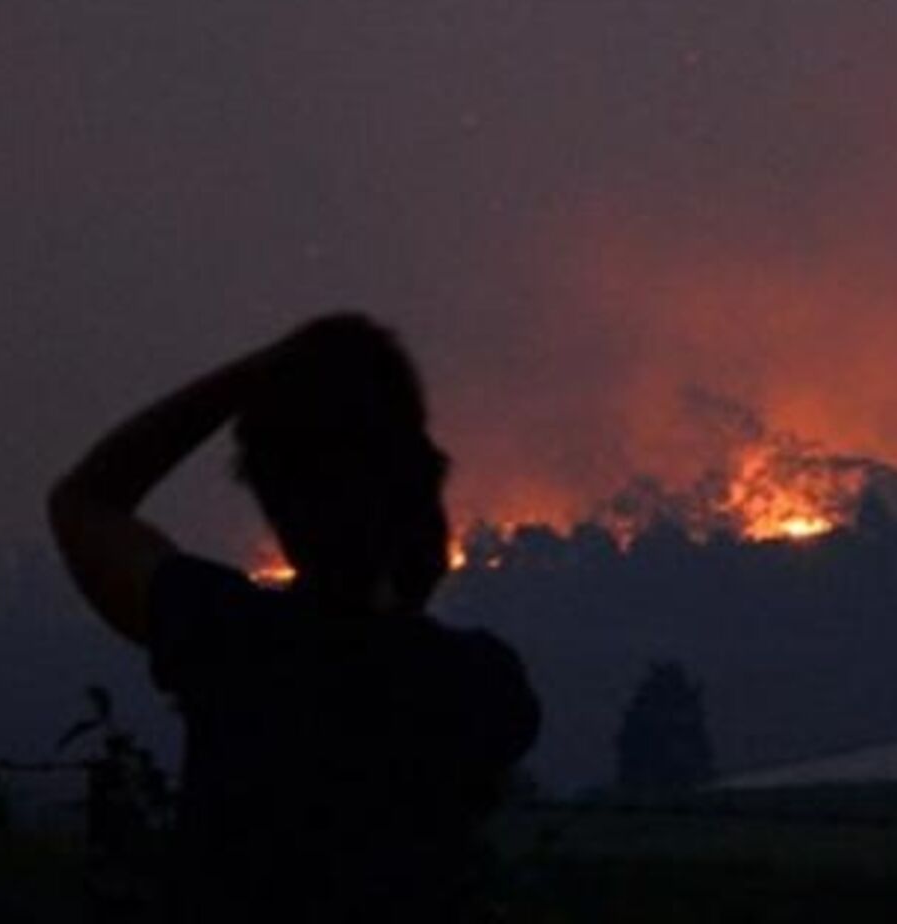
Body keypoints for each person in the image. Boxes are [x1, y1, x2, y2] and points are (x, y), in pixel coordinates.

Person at [47, 315, 540, 922]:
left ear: (276, 502)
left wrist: (261, 373)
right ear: (420, 494)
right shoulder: (477, 686)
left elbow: (85, 502)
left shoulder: (229, 640)